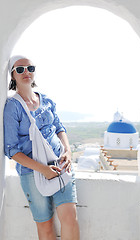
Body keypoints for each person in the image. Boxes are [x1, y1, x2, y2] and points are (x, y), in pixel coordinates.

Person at [3, 55, 80, 240]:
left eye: (30, 68)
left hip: (61, 165)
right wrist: (43, 170)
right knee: (45, 225)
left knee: (70, 217)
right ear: (13, 76)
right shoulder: (12, 107)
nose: (26, 72)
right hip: (32, 173)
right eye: (19, 69)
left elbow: (60, 128)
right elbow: (11, 150)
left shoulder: (46, 100)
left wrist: (68, 151)